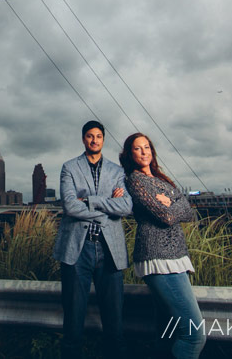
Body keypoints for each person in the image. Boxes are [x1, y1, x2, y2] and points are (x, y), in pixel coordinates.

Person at [120, 132, 206, 359]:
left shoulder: (160, 178)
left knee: (167, 334)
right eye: (137, 148)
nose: (144, 151)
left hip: (175, 255)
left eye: (146, 147)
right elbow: (165, 217)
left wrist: (173, 204)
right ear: (130, 154)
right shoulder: (135, 181)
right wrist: (173, 203)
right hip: (158, 257)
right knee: (194, 335)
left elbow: (188, 210)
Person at [53, 120, 133, 358]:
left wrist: (89, 201)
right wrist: (109, 205)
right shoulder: (69, 168)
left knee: (114, 324)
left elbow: (126, 206)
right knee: (73, 324)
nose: (94, 140)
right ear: (83, 139)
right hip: (78, 250)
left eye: (98, 136)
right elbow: (69, 206)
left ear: (103, 140)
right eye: (90, 136)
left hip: (110, 249)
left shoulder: (117, 171)